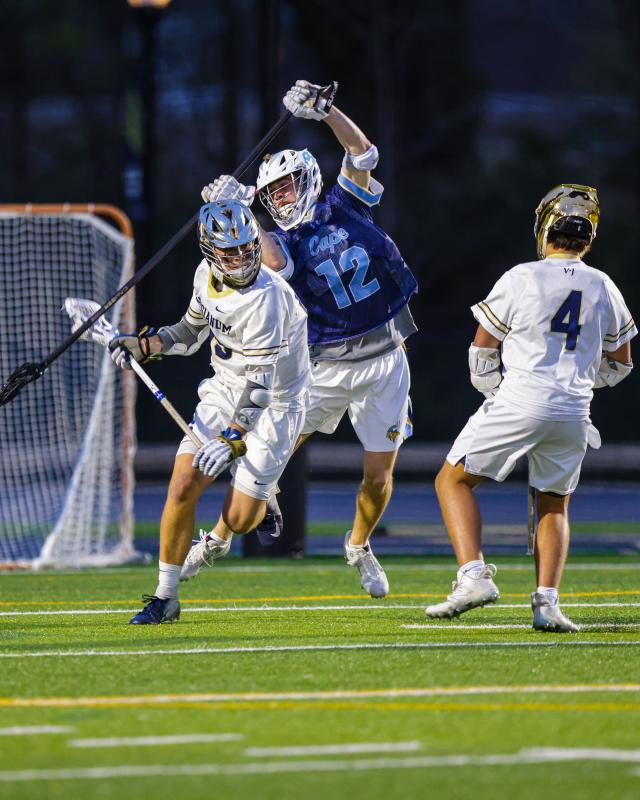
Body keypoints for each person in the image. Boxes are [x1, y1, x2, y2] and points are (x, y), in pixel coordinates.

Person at [186, 79, 418, 598]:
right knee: (269, 449)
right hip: (325, 365)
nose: (281, 197)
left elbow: (363, 152)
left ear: (308, 178)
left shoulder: (345, 203)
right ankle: (217, 537)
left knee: (379, 475)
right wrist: (239, 211)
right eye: (272, 193)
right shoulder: (279, 239)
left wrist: (327, 110)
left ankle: (359, 545)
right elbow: (273, 262)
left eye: (287, 186)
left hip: (386, 357)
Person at [426, 184, 636, 632]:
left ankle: (474, 577)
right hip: (574, 412)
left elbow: (482, 350)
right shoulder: (603, 284)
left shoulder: (522, 276)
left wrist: (496, 392)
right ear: (588, 236)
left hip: (522, 398)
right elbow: (621, 362)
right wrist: (580, 382)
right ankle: (547, 604)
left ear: (545, 228)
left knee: (452, 480)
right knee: (554, 505)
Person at [109, 199, 309, 624]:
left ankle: (259, 500)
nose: (241, 258)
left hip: (275, 403)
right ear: (210, 252)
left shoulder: (269, 298)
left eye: (247, 247)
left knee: (240, 519)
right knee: (183, 484)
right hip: (224, 389)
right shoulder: (205, 276)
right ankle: (166, 597)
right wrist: (144, 346)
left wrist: (232, 438)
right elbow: (189, 332)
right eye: (229, 252)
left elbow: (260, 387)